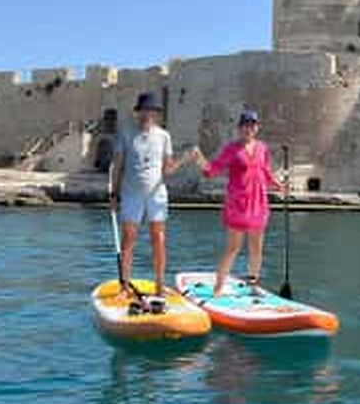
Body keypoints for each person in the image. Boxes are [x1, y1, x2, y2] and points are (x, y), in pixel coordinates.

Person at [190, 109, 284, 295]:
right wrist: (199, 159)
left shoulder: (262, 148)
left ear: (256, 128)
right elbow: (212, 170)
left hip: (258, 202)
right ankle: (218, 288)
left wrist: (277, 184)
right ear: (240, 128)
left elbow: (265, 172)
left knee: (256, 248)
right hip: (238, 204)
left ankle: (253, 285)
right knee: (233, 248)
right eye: (245, 125)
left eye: (252, 125)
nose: (248, 128)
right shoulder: (232, 149)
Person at [110, 92, 188, 295]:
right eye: (144, 110)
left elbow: (168, 169)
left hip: (157, 194)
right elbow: (117, 165)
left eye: (151, 110)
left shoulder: (164, 136)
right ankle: (124, 285)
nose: (147, 114)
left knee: (159, 238)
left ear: (156, 114)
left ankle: (160, 285)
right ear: (138, 112)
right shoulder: (126, 134)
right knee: (128, 239)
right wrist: (114, 194)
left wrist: (184, 159)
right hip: (131, 193)